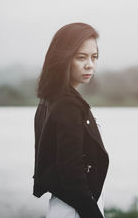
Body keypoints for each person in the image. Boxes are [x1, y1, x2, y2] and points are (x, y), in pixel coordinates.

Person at [33, 23, 109, 218]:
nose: (90, 65)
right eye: (81, 57)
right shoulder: (67, 105)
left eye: (94, 57)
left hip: (66, 205)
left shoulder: (50, 99)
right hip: (75, 209)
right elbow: (71, 174)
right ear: (63, 58)